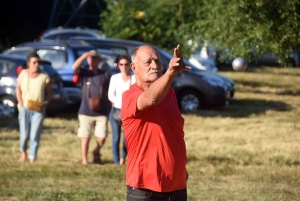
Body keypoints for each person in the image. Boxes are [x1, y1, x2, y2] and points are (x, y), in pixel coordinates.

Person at [121, 44, 191, 201]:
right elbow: (151, 98)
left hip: (176, 185)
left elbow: (174, 134)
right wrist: (171, 73)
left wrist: (179, 168)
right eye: (148, 62)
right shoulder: (129, 96)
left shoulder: (170, 93)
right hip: (145, 189)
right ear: (133, 67)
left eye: (157, 61)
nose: (154, 66)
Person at [72, 50, 111, 165]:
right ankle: (85, 160)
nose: (92, 60)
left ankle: (96, 151)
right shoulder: (84, 72)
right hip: (85, 110)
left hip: (101, 111)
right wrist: (85, 55)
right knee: (85, 137)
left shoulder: (104, 74)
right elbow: (74, 67)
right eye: (90, 58)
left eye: (94, 58)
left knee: (102, 137)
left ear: (98, 60)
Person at [16, 52, 53, 163]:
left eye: (38, 62)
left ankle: (32, 157)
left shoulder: (44, 76)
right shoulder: (23, 74)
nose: (37, 64)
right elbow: (17, 88)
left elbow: (50, 91)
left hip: (38, 109)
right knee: (24, 134)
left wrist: (46, 102)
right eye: (34, 62)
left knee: (35, 134)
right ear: (29, 63)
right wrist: (21, 102)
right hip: (25, 108)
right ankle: (23, 152)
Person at [108, 55, 136, 165]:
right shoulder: (114, 78)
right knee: (116, 137)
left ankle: (123, 157)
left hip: (129, 112)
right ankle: (116, 161)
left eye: (126, 64)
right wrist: (121, 103)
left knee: (127, 138)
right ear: (118, 65)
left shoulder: (134, 78)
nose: (124, 67)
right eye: (121, 64)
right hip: (116, 111)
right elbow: (111, 95)